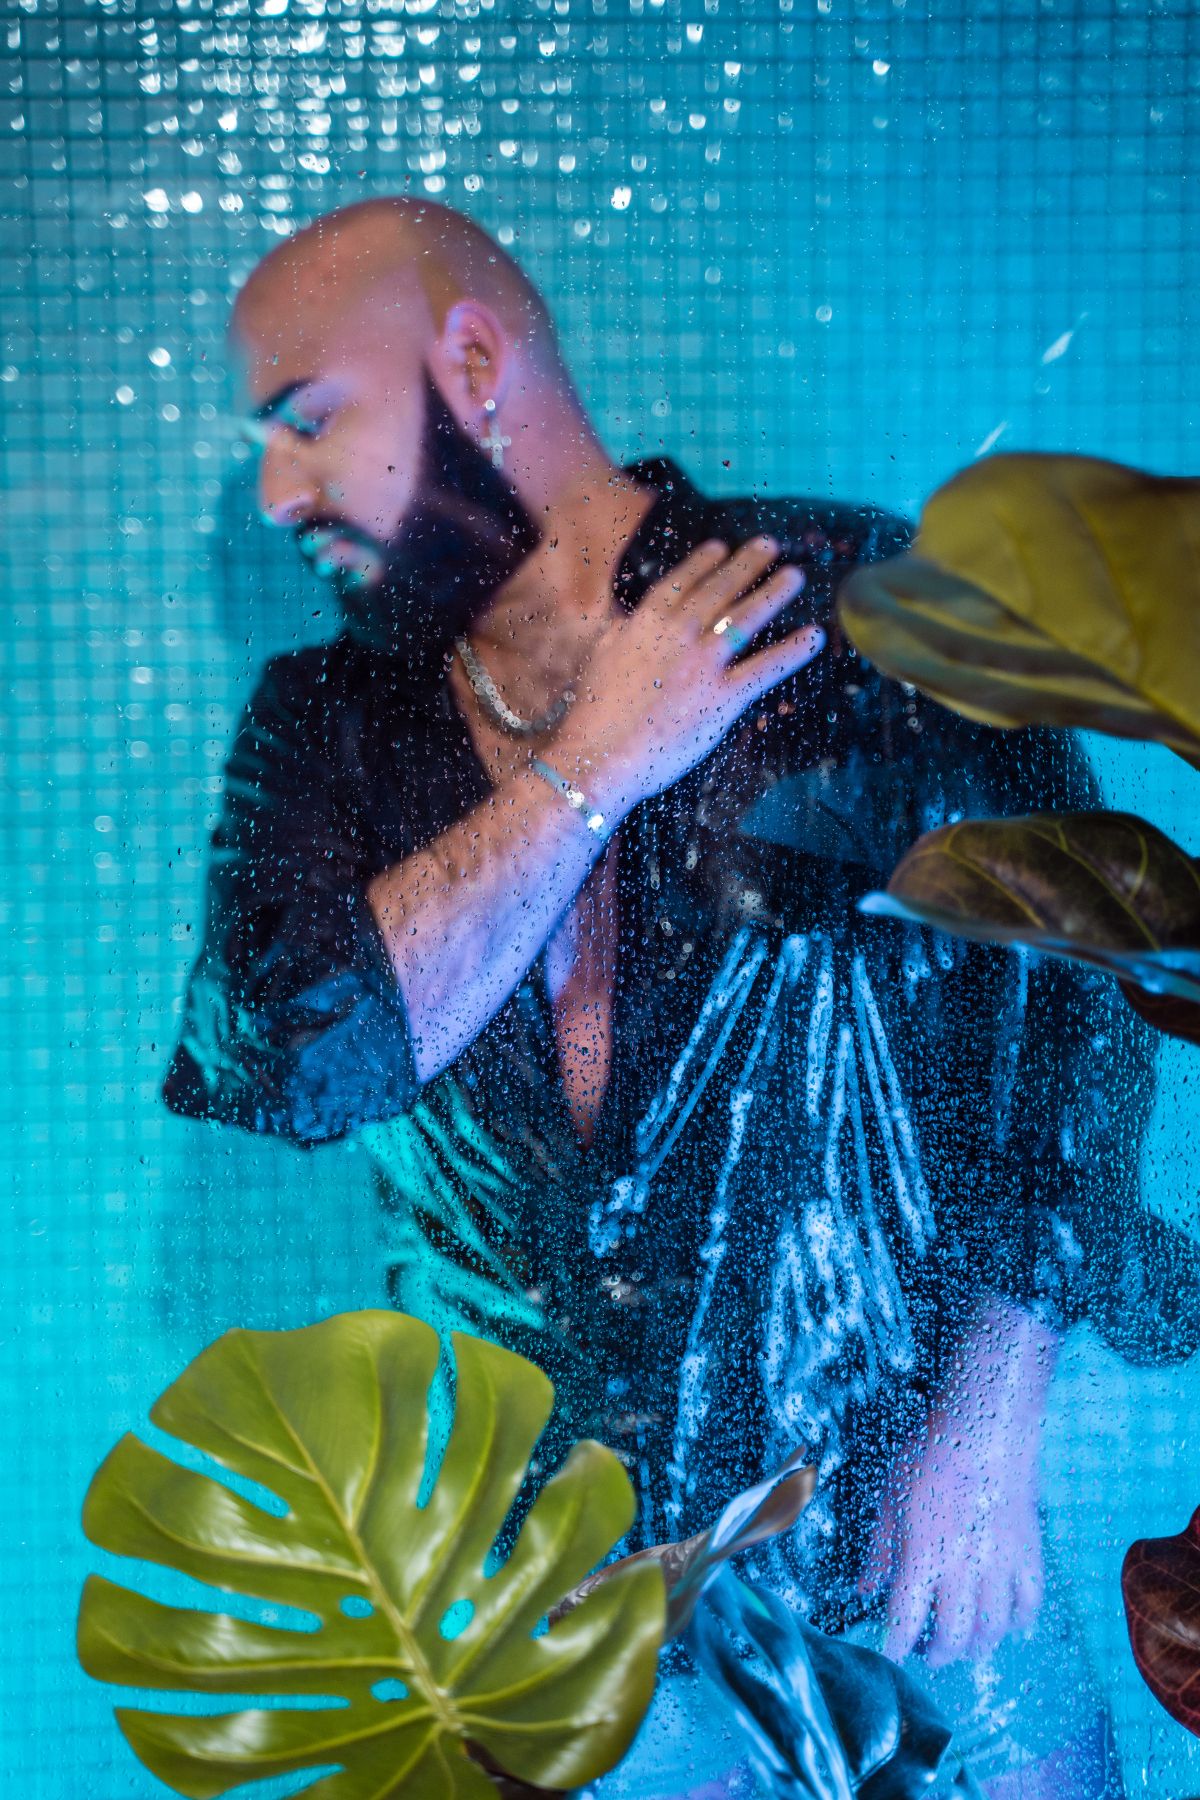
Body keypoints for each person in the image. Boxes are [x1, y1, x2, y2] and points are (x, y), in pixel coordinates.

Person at [164, 198, 1200, 1797]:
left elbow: (1079, 1002)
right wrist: (599, 763)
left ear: (473, 363)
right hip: (548, 1575)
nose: (277, 490)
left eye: (306, 421)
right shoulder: (327, 729)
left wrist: (991, 1422)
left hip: (897, 1528)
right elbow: (296, 1059)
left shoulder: (851, 605)